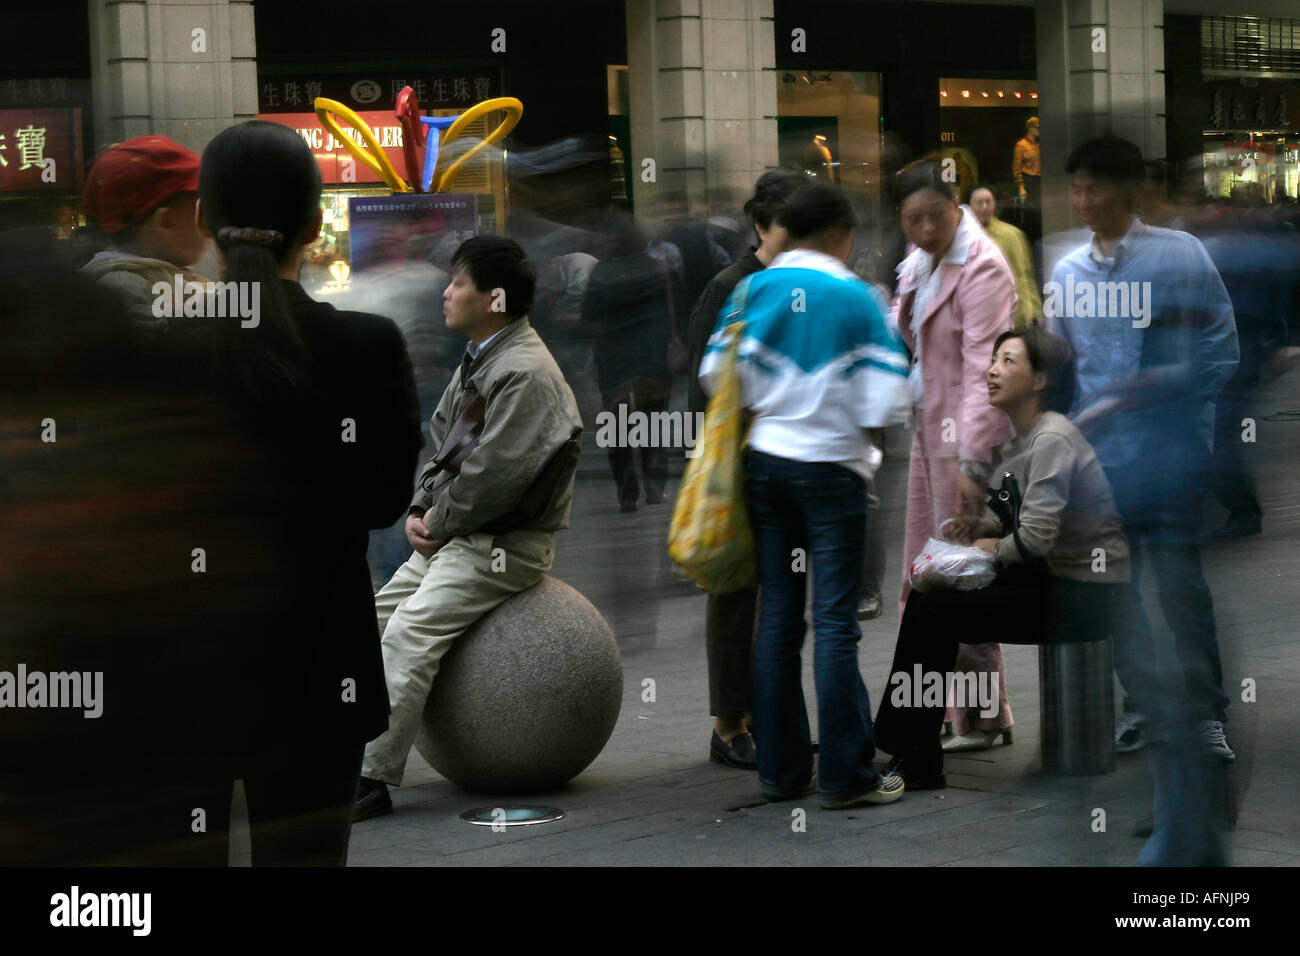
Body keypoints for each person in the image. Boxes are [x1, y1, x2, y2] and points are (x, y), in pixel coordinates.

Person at [190, 120, 426, 863]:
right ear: (316, 222)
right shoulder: (366, 345)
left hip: (186, 667)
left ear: (202, 220)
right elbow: (384, 501)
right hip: (325, 664)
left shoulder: (160, 347)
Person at [354, 235, 583, 820]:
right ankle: (336, 749)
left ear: (495, 298)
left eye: (459, 282)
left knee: (409, 631)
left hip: (501, 545)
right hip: (462, 535)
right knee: (370, 622)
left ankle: (368, 776)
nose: (446, 292)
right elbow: (447, 449)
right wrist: (419, 511)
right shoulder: (487, 356)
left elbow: (492, 477)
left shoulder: (524, 372)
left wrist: (436, 517)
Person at [700, 181, 912, 810]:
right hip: (833, 473)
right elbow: (888, 397)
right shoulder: (856, 296)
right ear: (840, 234)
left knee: (778, 624)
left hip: (766, 467)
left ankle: (783, 772)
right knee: (837, 624)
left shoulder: (751, 288)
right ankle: (849, 775)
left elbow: (717, 373)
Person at [1047, 136, 1239, 762]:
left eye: (1094, 188)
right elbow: (1060, 365)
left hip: (1172, 457)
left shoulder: (1179, 256)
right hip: (1101, 464)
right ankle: (1141, 706)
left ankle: (1206, 713)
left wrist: (1163, 401)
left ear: (1129, 191)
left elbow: (1219, 349)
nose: (1083, 201)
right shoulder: (1068, 271)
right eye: (1075, 188)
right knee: (1116, 590)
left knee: (1181, 586)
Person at [891, 158, 1017, 752]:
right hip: (928, 436)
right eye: (911, 220)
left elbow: (983, 373)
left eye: (934, 217)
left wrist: (973, 463)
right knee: (927, 572)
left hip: (962, 442)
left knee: (962, 573)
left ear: (956, 204)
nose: (923, 230)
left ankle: (985, 715)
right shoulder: (920, 263)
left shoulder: (982, 267)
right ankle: (944, 709)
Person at [687, 170, 802, 770]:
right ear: (761, 225)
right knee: (735, 593)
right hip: (738, 461)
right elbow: (700, 386)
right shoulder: (730, 285)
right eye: (790, 226)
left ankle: (768, 714)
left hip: (791, 460)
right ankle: (727, 722)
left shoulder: (798, 284)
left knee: (780, 597)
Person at [581, 214, 676, 511]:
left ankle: (627, 492)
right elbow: (670, 311)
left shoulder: (602, 271)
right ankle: (655, 486)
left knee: (617, 425)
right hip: (652, 354)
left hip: (614, 357)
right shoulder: (655, 267)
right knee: (652, 421)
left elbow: (589, 317)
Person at [79, 135, 209, 330]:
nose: (209, 225)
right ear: (164, 222)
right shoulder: (120, 287)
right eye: (200, 212)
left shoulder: (168, 276)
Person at [969, 182, 1042, 328]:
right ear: (969, 206)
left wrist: (1032, 310)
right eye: (979, 203)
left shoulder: (1011, 235)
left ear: (995, 205)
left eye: (988, 202)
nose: (984, 207)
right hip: (976, 317)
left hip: (1011, 316)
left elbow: (1023, 276)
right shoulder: (961, 238)